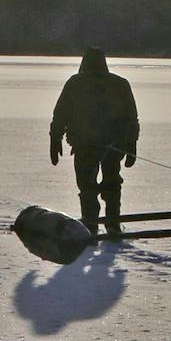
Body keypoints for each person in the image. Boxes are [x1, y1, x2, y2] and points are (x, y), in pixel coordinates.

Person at [49, 47, 139, 238]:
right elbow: (131, 118)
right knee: (112, 184)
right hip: (113, 146)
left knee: (87, 186)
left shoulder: (75, 83)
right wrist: (131, 144)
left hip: (86, 146)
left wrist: (55, 139)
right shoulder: (120, 84)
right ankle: (112, 224)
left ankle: (91, 226)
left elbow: (60, 114)